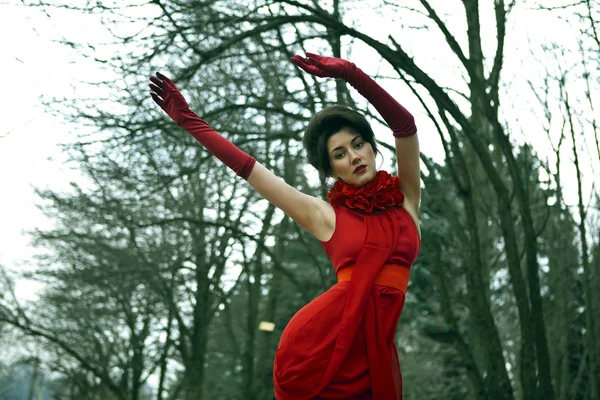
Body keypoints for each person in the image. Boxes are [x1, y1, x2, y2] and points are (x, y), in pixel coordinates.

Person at [149, 52, 421, 400]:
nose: (354, 156)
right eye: (339, 154)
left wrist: (350, 73)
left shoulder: (406, 199)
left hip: (375, 353)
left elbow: (405, 125)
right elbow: (250, 169)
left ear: (371, 146)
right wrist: (189, 121)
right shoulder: (326, 216)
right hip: (320, 348)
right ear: (330, 169)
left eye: (358, 144)